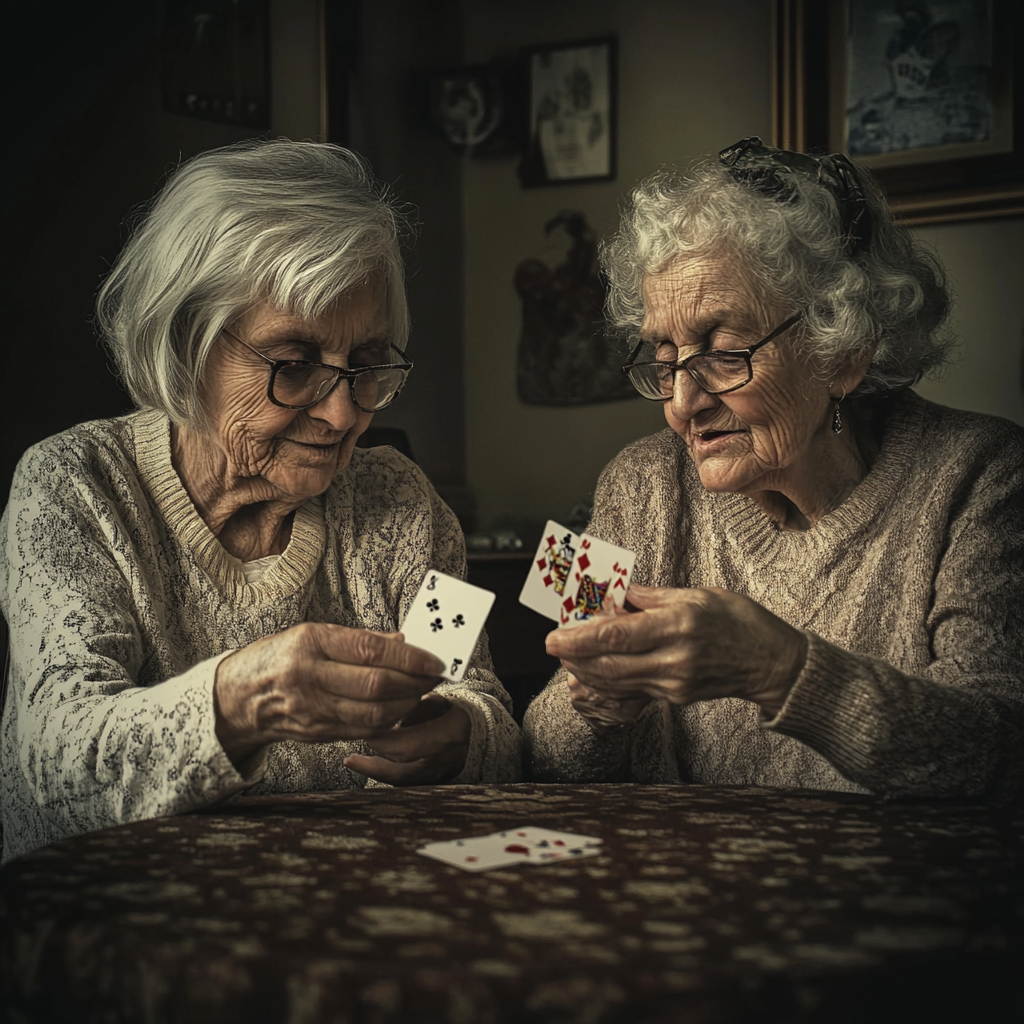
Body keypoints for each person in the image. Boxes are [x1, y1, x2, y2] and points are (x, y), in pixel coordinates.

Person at [0, 140, 520, 864]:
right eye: (294, 365)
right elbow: (55, 765)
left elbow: (480, 700)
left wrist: (463, 739)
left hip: (347, 913)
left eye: (366, 364)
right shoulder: (75, 488)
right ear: (186, 343)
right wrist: (242, 701)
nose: (342, 416)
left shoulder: (402, 504)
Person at [523, 136, 1024, 798]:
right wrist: (593, 704)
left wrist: (781, 671)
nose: (682, 403)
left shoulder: (985, 475)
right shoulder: (632, 484)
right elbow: (537, 753)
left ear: (842, 352)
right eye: (664, 356)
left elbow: (1001, 749)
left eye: (724, 351)